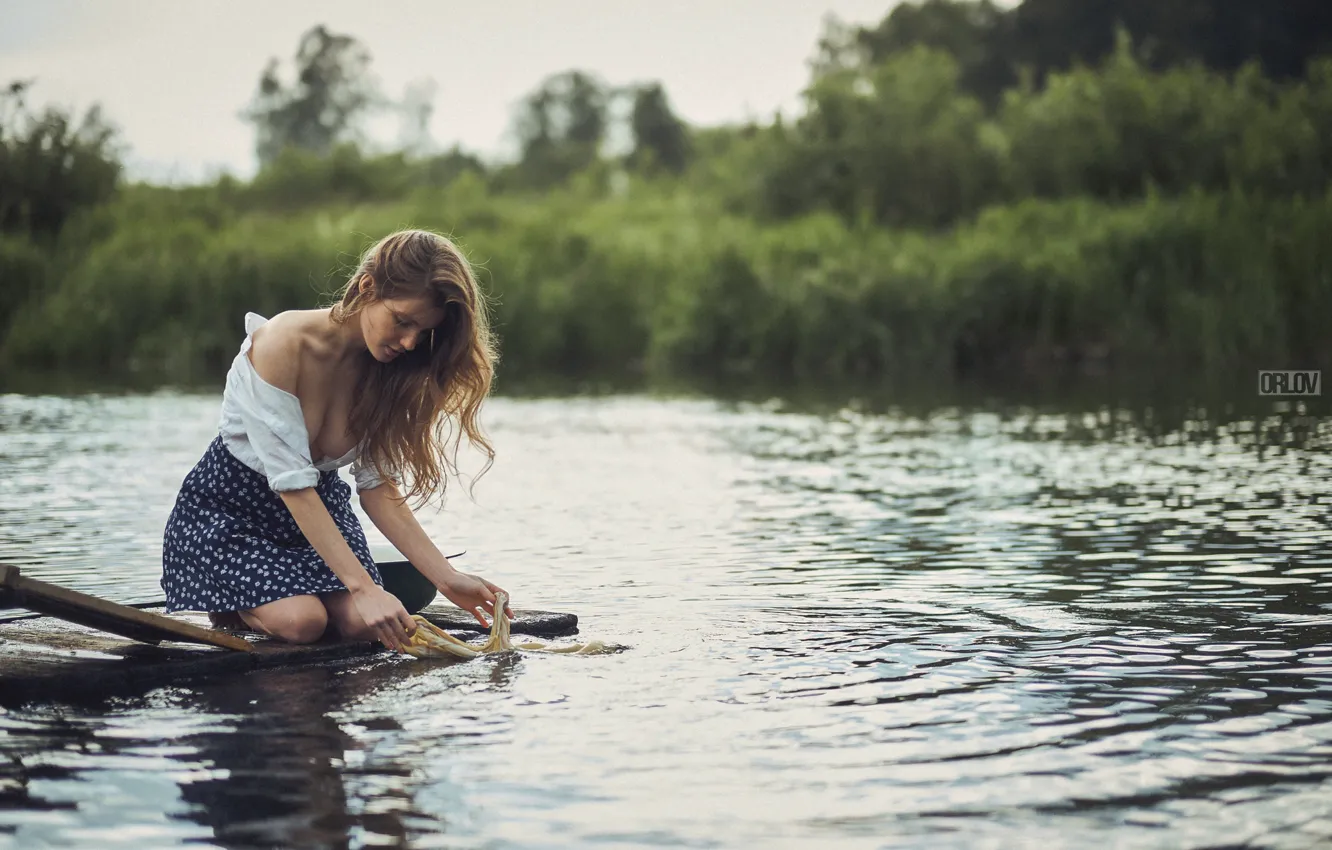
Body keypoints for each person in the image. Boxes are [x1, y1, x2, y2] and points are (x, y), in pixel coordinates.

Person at [160, 229, 511, 652]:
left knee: (367, 625)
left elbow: (379, 488)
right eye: (402, 321)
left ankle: (294, 597)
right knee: (302, 622)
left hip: (319, 513)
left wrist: (446, 578)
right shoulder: (281, 344)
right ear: (367, 287)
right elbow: (291, 482)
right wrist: (363, 588)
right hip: (230, 513)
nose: (409, 343)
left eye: (423, 332)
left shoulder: (391, 372)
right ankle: (229, 606)